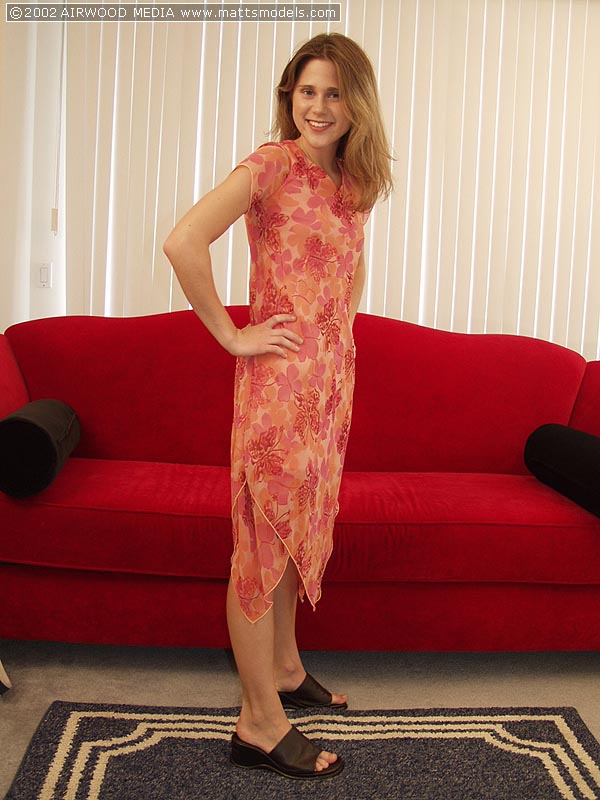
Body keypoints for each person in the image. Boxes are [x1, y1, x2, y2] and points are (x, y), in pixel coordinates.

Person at [164, 32, 392, 780]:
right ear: (290, 98)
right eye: (306, 92)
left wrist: (340, 347)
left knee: (297, 536)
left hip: (329, 391)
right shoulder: (272, 164)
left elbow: (347, 277)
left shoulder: (352, 182)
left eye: (333, 93)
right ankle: (258, 721)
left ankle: (287, 669)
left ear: (356, 104)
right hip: (279, 392)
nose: (318, 107)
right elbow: (184, 241)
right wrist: (233, 335)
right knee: (260, 548)